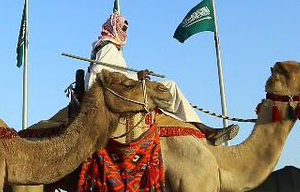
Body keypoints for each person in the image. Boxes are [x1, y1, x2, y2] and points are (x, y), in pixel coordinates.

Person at [83, 12, 238, 144]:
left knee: (165, 89)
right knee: (170, 86)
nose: (125, 31)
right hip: (116, 94)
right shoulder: (108, 47)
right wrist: (137, 77)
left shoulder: (109, 47)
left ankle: (202, 129)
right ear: (114, 28)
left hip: (121, 90)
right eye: (122, 28)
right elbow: (104, 75)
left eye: (126, 29)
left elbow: (113, 74)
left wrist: (136, 78)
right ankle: (205, 130)